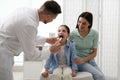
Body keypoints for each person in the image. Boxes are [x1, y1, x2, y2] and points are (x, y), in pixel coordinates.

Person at [0, 0, 61, 80]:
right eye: (53, 19)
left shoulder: (25, 10)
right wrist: (50, 50)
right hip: (3, 54)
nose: (51, 21)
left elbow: (25, 35)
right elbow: (31, 55)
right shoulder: (29, 24)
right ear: (48, 16)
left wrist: (46, 40)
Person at [69, 12, 105, 80]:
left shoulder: (94, 34)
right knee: (99, 76)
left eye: (84, 23)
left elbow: (94, 53)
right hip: (79, 61)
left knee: (102, 77)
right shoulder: (73, 34)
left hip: (90, 61)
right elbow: (68, 49)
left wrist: (84, 59)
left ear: (89, 24)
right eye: (79, 22)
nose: (80, 25)